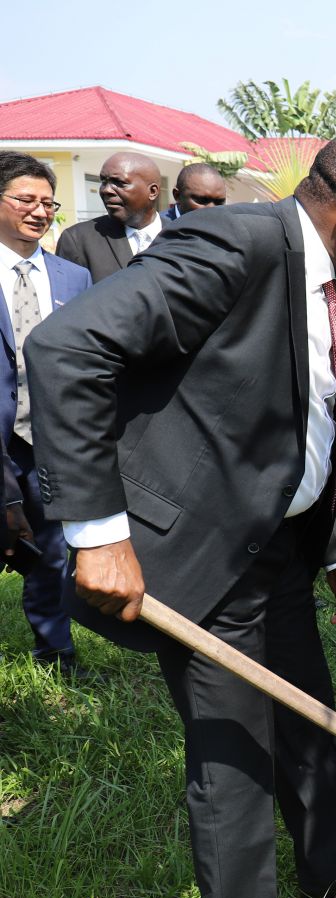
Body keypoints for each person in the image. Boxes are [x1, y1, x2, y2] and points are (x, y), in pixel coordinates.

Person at [25, 130, 336, 898]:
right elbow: (67, 348)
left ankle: (335, 871)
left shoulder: (332, 279)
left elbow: (299, 425)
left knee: (306, 712)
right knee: (235, 742)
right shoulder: (239, 245)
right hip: (207, 549)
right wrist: (98, 531)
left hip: (278, 544)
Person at [0, 152, 91, 678]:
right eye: (25, 199)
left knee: (52, 554)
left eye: (47, 203)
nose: (38, 211)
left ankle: (55, 650)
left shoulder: (73, 278)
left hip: (49, 440)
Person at [55, 152, 163, 280]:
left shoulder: (183, 237)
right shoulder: (77, 239)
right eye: (103, 182)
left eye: (119, 183)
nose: (106, 190)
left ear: (152, 192)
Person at [161, 163, 228, 222]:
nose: (212, 209)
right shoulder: (157, 230)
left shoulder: (229, 230)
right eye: (202, 200)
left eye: (219, 202)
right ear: (177, 195)